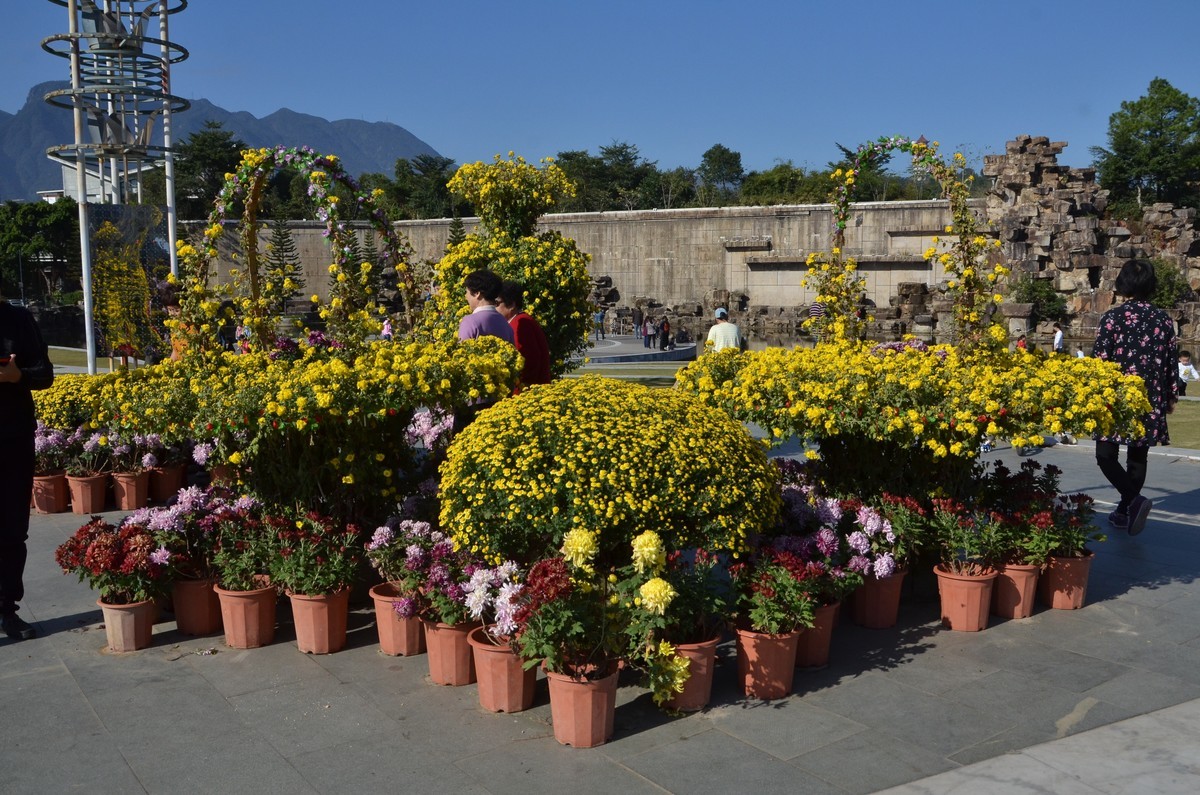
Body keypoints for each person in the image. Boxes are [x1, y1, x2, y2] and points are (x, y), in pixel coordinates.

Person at [1092, 259, 1178, 536]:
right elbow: (1170, 362)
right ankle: (1125, 508)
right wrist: (1171, 395)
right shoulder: (1163, 319)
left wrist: (1092, 394)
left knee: (1106, 454)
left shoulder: (1113, 318)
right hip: (1149, 396)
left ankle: (1131, 502)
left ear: (1122, 284)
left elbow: (1099, 361)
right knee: (1138, 457)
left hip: (1114, 396)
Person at [0, 295, 55, 640]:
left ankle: (8, 611)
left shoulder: (18, 319)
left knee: (11, 530)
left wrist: (17, 376)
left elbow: (44, 374)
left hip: (12, 440)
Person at [454, 270, 514, 431]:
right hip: (498, 398)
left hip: (472, 399)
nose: (466, 297)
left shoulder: (470, 322)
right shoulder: (505, 323)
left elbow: (462, 360)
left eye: (467, 292)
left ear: (477, 294)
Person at [496, 280, 551, 390]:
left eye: (497, 304)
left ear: (511, 304)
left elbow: (526, 363)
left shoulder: (521, 324)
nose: (494, 308)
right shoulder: (517, 321)